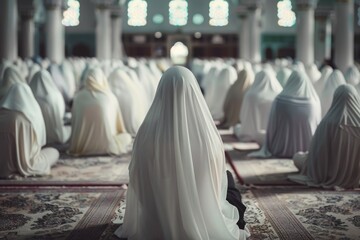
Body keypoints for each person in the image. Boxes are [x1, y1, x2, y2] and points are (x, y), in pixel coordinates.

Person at [115, 66, 249, 240]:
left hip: (156, 219)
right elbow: (216, 185)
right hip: (204, 216)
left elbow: (136, 178)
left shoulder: (145, 132)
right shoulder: (207, 133)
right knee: (228, 178)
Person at [289, 84, 360, 189]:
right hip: (356, 178)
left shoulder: (327, 122)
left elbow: (316, 154)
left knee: (297, 157)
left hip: (326, 174)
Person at [250, 69, 321, 158]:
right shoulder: (315, 102)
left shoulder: (280, 100)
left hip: (278, 150)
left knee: (258, 134)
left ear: (290, 81)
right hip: (308, 152)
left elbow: (271, 128)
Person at [0, 83, 59, 178]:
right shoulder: (30, 116)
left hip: (2, 167)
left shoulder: (1, 115)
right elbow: (38, 143)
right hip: (28, 164)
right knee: (54, 152)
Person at [68, 67, 131, 156]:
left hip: (80, 148)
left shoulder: (78, 98)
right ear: (102, 79)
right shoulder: (110, 97)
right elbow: (118, 127)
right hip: (108, 147)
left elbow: (74, 125)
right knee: (126, 137)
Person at [234, 69, 282, 144]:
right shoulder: (279, 96)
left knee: (237, 127)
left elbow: (242, 115)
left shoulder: (250, 95)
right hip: (269, 136)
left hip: (249, 133)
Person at [30, 69, 71, 144]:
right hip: (55, 133)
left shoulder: (30, 97)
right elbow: (60, 114)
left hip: (37, 138)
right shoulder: (55, 96)